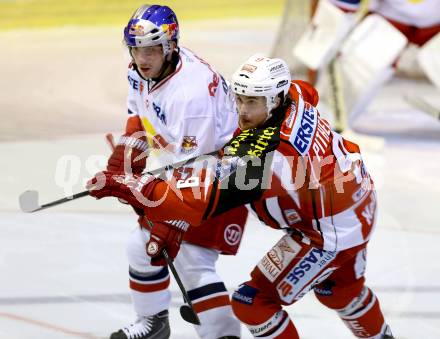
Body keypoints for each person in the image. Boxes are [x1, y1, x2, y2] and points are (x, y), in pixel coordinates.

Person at [88, 54, 394, 338]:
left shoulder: (262, 157)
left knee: (252, 302)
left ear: (274, 99)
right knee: (341, 291)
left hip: (330, 231)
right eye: (240, 99)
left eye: (253, 102)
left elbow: (195, 205)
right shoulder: (295, 96)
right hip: (358, 199)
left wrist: (126, 185)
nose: (243, 112)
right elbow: (308, 93)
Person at [102, 4, 247, 339]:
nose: (142, 58)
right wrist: (125, 161)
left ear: (169, 46)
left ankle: (223, 335)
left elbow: (197, 175)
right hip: (190, 166)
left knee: (191, 257)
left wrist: (170, 222)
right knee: (141, 247)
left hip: (230, 174)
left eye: (151, 49)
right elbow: (139, 116)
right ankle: (152, 323)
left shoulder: (191, 95)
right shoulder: (141, 71)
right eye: (136, 49)